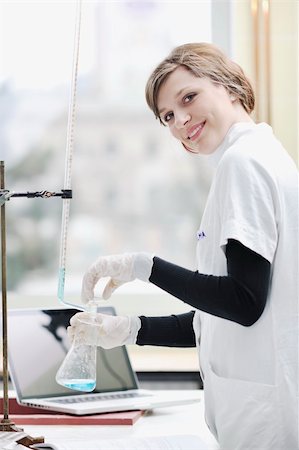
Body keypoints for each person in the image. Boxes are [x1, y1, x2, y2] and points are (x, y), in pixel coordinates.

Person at [69, 43, 299, 450]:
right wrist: (129, 330)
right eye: (168, 116)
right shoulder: (262, 154)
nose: (180, 121)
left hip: (265, 419)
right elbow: (217, 319)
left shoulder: (242, 163)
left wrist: (145, 267)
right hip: (262, 405)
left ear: (229, 85)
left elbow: (243, 302)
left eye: (188, 97)